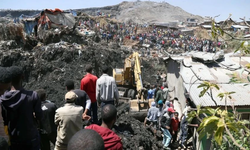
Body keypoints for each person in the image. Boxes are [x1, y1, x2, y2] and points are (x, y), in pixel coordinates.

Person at [0, 66, 43, 150]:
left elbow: (4, 120)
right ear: (22, 77)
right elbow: (40, 116)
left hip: (13, 138)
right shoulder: (33, 96)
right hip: (31, 137)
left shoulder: (2, 99)